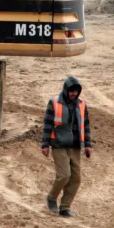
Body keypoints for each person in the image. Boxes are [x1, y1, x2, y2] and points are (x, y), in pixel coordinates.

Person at [40, 76, 91, 218]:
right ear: (65, 90)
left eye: (76, 91)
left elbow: (86, 126)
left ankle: (65, 207)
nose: (74, 93)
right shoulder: (54, 102)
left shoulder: (81, 104)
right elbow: (48, 124)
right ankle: (51, 197)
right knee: (64, 175)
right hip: (59, 144)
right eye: (71, 91)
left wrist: (88, 145)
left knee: (76, 178)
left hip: (75, 146)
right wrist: (45, 144)